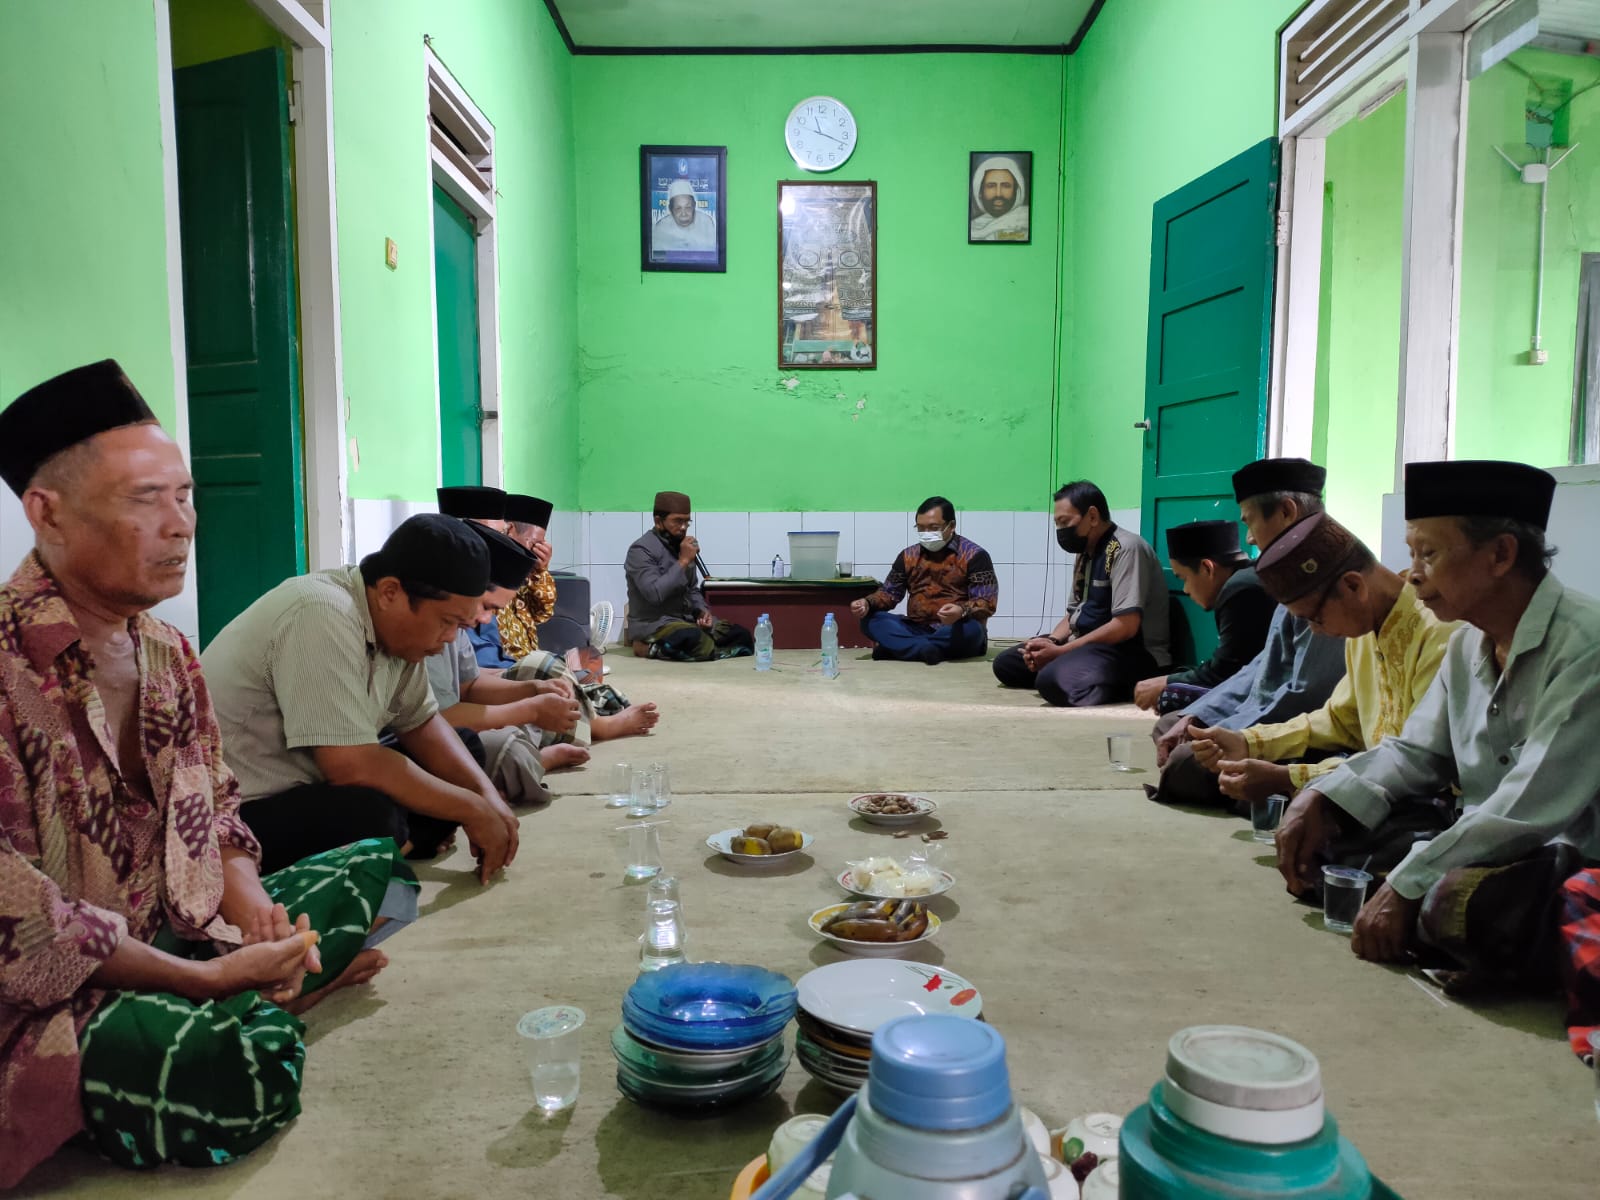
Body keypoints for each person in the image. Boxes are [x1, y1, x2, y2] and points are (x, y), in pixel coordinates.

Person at [0, 361, 413, 1184]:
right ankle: (248, 1006)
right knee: (238, 1079)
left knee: (378, 865)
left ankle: (250, 990)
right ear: (46, 513)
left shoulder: (166, 650)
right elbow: (24, 921)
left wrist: (253, 913)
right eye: (145, 499)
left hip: (175, 924)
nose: (182, 523)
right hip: (49, 988)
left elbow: (218, 810)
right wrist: (205, 977)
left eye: (185, 495)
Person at [1272, 462, 1600, 1000]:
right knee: (1339, 832)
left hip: (1562, 857)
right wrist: (1322, 797)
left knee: (1456, 899)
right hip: (1485, 843)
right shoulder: (1468, 643)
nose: (1413, 573)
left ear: (1500, 555)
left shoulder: (1586, 645)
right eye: (1411, 553)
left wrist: (1408, 881)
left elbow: (1526, 808)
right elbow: (1413, 753)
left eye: (1429, 553)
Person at [202, 514, 521, 879]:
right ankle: (394, 845)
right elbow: (351, 765)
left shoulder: (399, 635)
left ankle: (398, 845)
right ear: (390, 593)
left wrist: (487, 799)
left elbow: (421, 724)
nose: (450, 638)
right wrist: (470, 809)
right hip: (235, 815)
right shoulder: (321, 613)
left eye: (459, 626)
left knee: (464, 749)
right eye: (447, 622)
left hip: (311, 788)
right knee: (370, 814)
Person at [1186, 513, 1456, 829]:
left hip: (1419, 792)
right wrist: (1248, 741)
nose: (1314, 631)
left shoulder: (1442, 632)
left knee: (1327, 824)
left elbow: (1416, 764)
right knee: (1196, 769)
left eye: (1315, 617)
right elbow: (1338, 719)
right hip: (1368, 769)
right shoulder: (1366, 629)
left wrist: (1289, 778)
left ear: (1353, 585)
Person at [1148, 458, 1348, 807]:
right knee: (1172, 725)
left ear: (1286, 512)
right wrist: (1200, 715)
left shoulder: (1329, 578)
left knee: (1187, 764)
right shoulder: (1289, 573)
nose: (1250, 538)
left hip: (1308, 729)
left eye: (1251, 522)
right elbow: (1259, 667)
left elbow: (1303, 693)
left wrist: (1237, 736)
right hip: (1273, 721)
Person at [425, 522, 587, 804]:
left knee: (543, 673)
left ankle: (582, 731)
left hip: (465, 711)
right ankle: (536, 761)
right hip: (428, 734)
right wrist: (527, 709)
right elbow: (430, 722)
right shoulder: (432, 621)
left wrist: (533, 690)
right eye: (487, 607)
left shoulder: (456, 622)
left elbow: (469, 684)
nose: (487, 620)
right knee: (504, 747)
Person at [992, 480, 1170, 706]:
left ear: (1092, 516)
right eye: (1057, 524)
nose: (1061, 531)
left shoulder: (1125, 549)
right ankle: (1073, 669)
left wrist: (1061, 652)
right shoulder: (1086, 552)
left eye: (1065, 522)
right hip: (1086, 645)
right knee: (1007, 664)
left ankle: (1120, 685)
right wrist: (1053, 642)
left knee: (1050, 681)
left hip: (1130, 652)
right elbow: (1075, 611)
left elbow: (1126, 625)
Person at [1133, 519, 1276, 714]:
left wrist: (1165, 682)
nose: (1185, 589)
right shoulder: (1247, 577)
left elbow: (1223, 674)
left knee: (1171, 698)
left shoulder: (1240, 590)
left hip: (1274, 696)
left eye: (1183, 578)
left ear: (1207, 568)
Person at [850, 496, 997, 664]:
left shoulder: (975, 556)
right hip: (915, 627)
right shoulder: (908, 557)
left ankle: (902, 648)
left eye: (933, 528)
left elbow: (986, 603)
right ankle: (924, 649)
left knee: (973, 631)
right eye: (921, 528)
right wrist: (867, 603)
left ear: (952, 526)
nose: (926, 534)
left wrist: (960, 611)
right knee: (871, 621)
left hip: (955, 629)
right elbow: (889, 593)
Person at [625, 490, 754, 661]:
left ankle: (708, 651)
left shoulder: (683, 546)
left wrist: (702, 612)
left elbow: (692, 589)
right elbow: (654, 594)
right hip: (654, 624)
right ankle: (646, 647)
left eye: (687, 521)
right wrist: (683, 561)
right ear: (658, 521)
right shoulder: (641, 551)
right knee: (695, 640)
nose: (683, 528)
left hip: (685, 621)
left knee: (743, 637)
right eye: (677, 521)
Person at [969, 155, 1030, 242]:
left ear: (1016, 190)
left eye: (1006, 186)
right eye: (991, 186)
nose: (998, 194)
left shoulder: (1025, 223)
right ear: (980, 192)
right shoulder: (973, 227)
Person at [651, 178, 717, 254]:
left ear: (694, 206)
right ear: (671, 209)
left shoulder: (707, 223)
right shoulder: (661, 228)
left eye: (688, 207)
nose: (684, 214)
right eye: (678, 208)